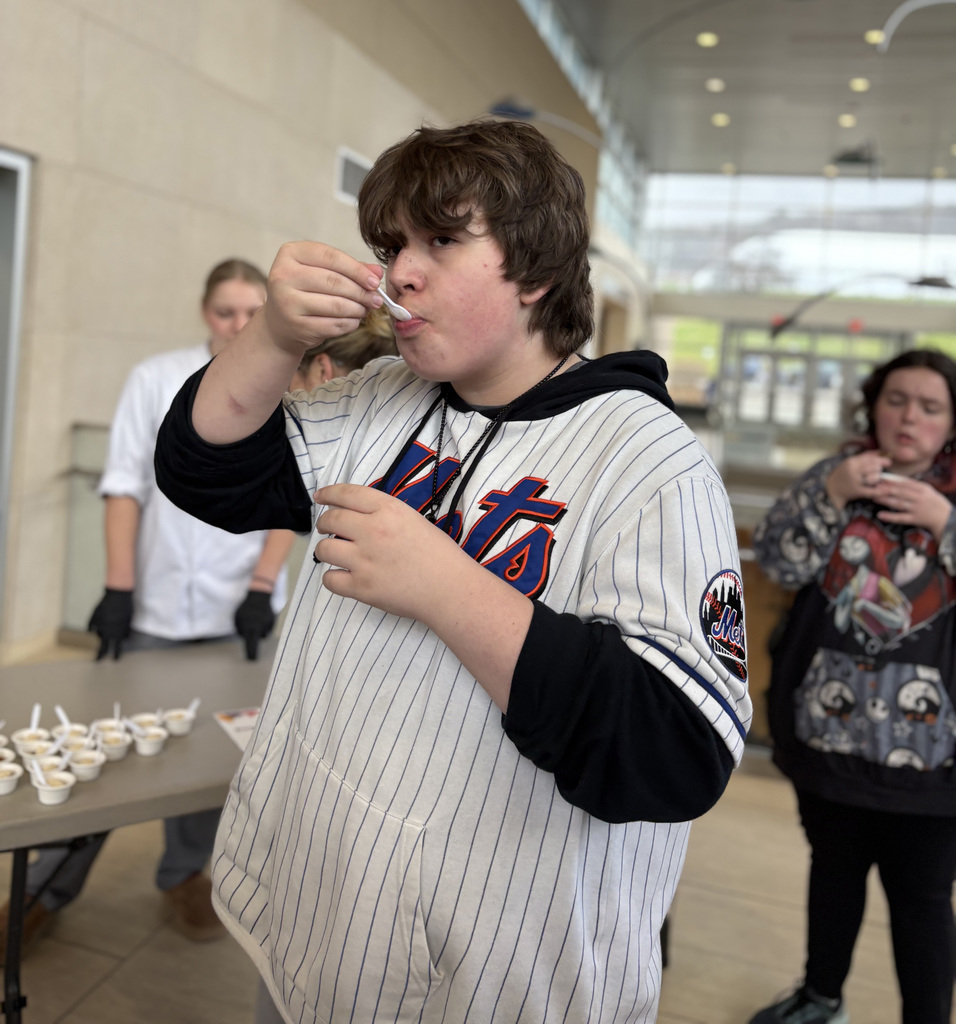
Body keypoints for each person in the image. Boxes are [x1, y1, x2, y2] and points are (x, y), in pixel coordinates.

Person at [155, 120, 751, 1024]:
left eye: (441, 239)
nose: (399, 271)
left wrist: (445, 584)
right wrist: (274, 334)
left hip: (493, 975)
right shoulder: (379, 398)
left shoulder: (648, 459)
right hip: (316, 919)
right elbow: (204, 470)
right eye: (391, 245)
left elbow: (672, 751)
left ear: (536, 268)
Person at [0, 259, 294, 962]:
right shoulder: (157, 378)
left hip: (237, 618)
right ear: (204, 312)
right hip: (155, 611)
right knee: (107, 755)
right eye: (225, 311)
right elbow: (124, 484)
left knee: (210, 761)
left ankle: (185, 874)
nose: (238, 324)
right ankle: (44, 889)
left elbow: (296, 494)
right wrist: (119, 587)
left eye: (253, 311)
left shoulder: (286, 385)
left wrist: (262, 585)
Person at [749, 348, 956, 1024]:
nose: (909, 417)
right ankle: (821, 999)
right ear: (874, 405)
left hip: (932, 758)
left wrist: (944, 521)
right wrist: (834, 492)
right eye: (897, 399)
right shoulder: (837, 475)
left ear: (951, 421)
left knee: (923, 898)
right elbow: (778, 559)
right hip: (829, 734)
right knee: (833, 873)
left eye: (930, 406)